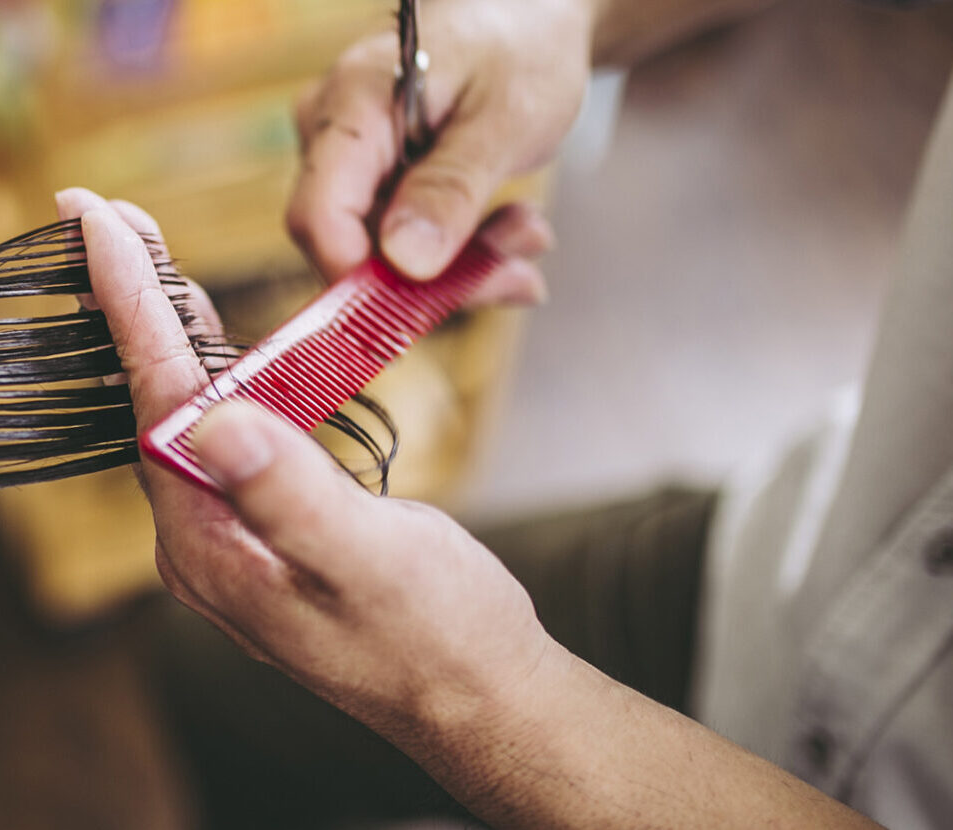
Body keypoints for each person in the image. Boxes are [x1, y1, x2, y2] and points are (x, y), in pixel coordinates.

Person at [60, 0, 953, 825]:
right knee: (212, 681)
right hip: (801, 567)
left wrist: (484, 700)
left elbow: (487, 695)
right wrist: (564, 15)